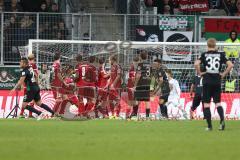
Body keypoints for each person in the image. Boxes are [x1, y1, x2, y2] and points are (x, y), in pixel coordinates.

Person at [194, 38, 234, 131]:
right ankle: (222, 121)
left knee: (206, 104)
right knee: (218, 103)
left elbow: (196, 64)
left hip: (207, 80)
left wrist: (200, 73)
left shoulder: (204, 55)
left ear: (207, 45)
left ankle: (209, 126)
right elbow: (231, 65)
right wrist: (223, 74)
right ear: (215, 45)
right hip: (217, 80)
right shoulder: (221, 54)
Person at [134, 51, 151, 119]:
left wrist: (135, 85)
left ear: (140, 57)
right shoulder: (150, 65)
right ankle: (147, 116)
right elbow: (152, 76)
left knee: (137, 100)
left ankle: (135, 115)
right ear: (146, 57)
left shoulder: (140, 65)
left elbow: (138, 75)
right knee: (147, 101)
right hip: (148, 84)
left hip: (141, 84)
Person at [108, 54, 122, 119]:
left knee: (117, 100)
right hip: (111, 86)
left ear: (112, 60)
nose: (109, 61)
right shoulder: (111, 67)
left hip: (116, 86)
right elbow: (111, 77)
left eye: (109, 60)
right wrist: (109, 83)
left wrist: (113, 84)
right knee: (110, 100)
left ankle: (117, 114)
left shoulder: (118, 66)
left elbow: (118, 76)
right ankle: (113, 113)